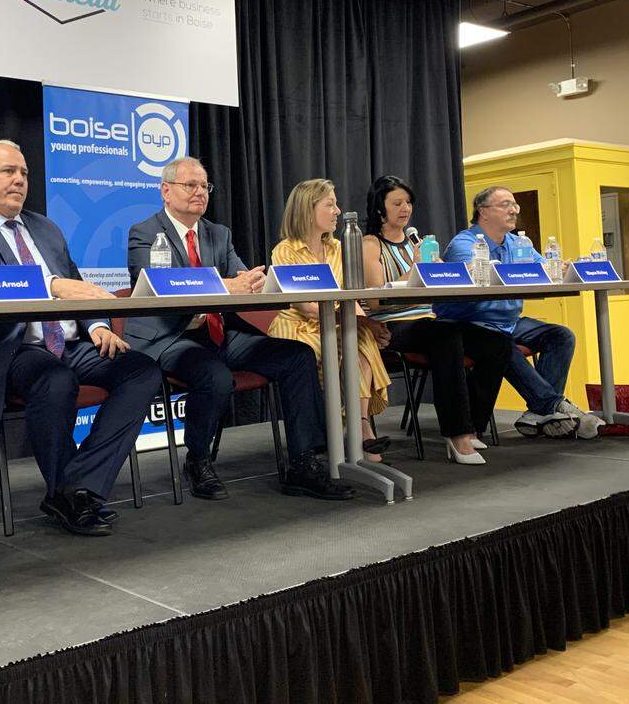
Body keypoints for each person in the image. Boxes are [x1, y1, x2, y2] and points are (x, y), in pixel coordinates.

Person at [0, 141, 160, 537]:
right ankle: (72, 492)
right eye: (8, 171)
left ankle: (76, 485)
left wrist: (97, 326)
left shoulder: (45, 227)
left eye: (23, 173)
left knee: (142, 369)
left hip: (73, 343)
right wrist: (53, 286)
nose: (19, 180)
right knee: (55, 379)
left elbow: (77, 284)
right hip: (11, 349)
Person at [125, 157, 353, 502]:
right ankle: (198, 460)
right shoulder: (144, 233)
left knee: (297, 355)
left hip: (216, 332)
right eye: (191, 185)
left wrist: (257, 282)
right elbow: (164, 288)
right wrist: (227, 286)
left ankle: (304, 462)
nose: (200, 192)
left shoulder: (218, 233)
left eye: (205, 186)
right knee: (214, 375)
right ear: (166, 191)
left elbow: (243, 281)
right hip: (169, 335)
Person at [360, 175, 511, 465]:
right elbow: (377, 299)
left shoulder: (417, 242)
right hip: (393, 325)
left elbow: (438, 284)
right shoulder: (371, 245)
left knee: (496, 343)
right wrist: (416, 269)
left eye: (408, 203)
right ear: (380, 208)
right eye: (397, 203)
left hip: (428, 319)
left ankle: (474, 425)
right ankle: (457, 435)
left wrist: (459, 272)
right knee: (446, 336)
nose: (405, 208)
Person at [433, 185, 603, 440]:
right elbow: (481, 277)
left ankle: (539, 412)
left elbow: (544, 269)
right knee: (501, 345)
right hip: (471, 324)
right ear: (484, 212)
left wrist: (562, 266)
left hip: (508, 321)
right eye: (505, 205)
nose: (513, 210)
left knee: (561, 335)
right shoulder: (465, 243)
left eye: (515, 205)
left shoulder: (518, 242)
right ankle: (556, 408)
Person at [268, 179, 393, 462]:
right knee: (330, 344)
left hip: (336, 320)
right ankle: (337, 435)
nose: (338, 211)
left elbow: (353, 298)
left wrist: (366, 323)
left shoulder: (340, 247)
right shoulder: (285, 250)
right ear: (307, 210)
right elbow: (306, 306)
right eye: (330, 205)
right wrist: (351, 320)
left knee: (360, 337)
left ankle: (360, 428)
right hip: (298, 324)